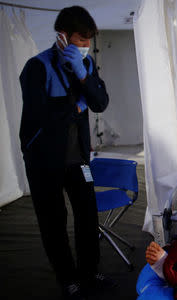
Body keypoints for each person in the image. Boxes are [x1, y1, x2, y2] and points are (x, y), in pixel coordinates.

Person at [19, 6, 112, 300]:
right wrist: (75, 106)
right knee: (53, 220)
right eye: (81, 39)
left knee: (87, 216)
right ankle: (67, 278)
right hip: (44, 160)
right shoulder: (37, 66)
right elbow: (39, 115)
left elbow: (100, 102)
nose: (86, 45)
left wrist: (84, 76)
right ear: (62, 35)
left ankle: (89, 271)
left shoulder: (83, 65)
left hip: (77, 159)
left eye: (89, 40)